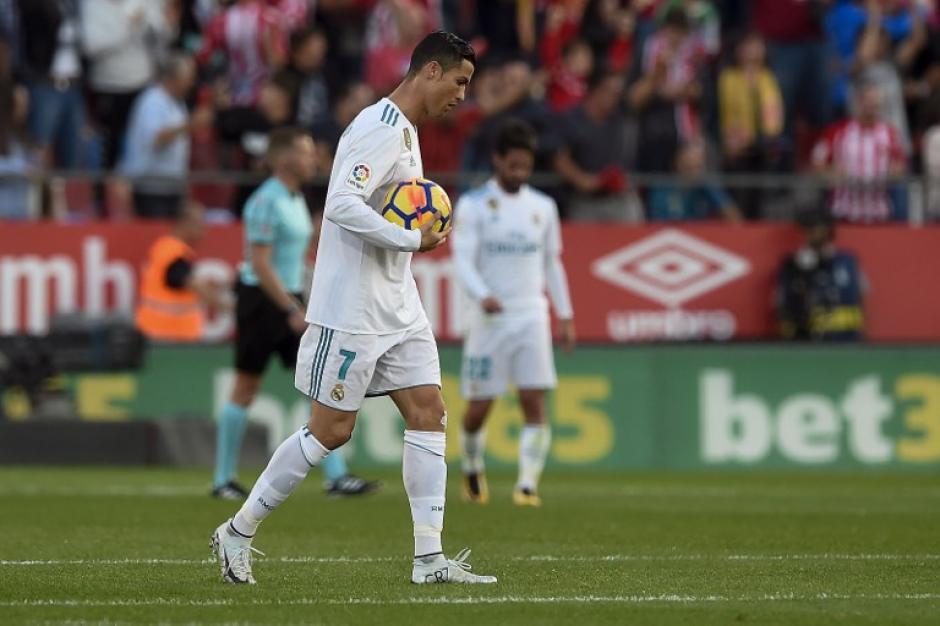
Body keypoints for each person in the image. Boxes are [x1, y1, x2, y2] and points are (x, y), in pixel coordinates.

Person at [210, 31, 497, 586]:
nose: (462, 95)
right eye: (459, 82)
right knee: (331, 430)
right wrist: (411, 239)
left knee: (430, 412)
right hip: (353, 309)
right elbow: (341, 203)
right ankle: (237, 531)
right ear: (430, 71)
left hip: (398, 303)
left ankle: (429, 560)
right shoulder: (378, 128)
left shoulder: (407, 131)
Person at [211, 127, 379, 501]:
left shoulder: (295, 198)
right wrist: (290, 307)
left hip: (291, 298)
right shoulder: (265, 201)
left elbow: (293, 257)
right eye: (306, 151)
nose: (313, 158)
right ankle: (222, 478)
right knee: (246, 387)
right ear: (285, 158)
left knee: (317, 384)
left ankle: (336, 476)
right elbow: (260, 263)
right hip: (262, 301)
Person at [453, 119, 575, 508]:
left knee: (534, 400)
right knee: (479, 408)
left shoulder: (543, 207)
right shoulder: (473, 205)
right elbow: (462, 259)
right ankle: (472, 465)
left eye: (526, 165)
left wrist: (565, 314)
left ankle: (526, 485)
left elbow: (552, 262)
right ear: (498, 159)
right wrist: (482, 295)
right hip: (490, 318)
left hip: (531, 315)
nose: (520, 172)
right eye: (513, 164)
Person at [119, 52, 213, 219]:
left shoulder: (178, 103)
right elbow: (157, 139)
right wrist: (190, 125)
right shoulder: (152, 101)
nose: (191, 84)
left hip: (173, 185)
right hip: (152, 187)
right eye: (189, 79)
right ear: (174, 78)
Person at [136, 201, 231, 342]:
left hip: (162, 332)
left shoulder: (165, 248)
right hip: (170, 335)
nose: (204, 229)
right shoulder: (174, 254)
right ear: (185, 223)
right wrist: (232, 308)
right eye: (200, 224)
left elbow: (179, 283)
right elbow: (196, 287)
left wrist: (222, 284)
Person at [811, 83, 906, 223]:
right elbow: (817, 161)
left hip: (879, 213)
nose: (872, 108)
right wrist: (830, 173)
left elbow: (900, 165)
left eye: (876, 104)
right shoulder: (837, 131)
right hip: (843, 212)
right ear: (858, 103)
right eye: (868, 103)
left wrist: (894, 173)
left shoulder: (890, 134)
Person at [776, 208, 866, 341]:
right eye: (805, 230)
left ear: (827, 229)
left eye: (813, 229)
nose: (809, 234)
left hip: (846, 338)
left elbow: (862, 295)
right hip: (807, 339)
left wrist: (862, 333)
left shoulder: (847, 261)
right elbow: (781, 302)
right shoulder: (792, 265)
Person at [646, 140, 741, 221]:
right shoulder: (661, 189)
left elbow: (735, 220)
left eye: (697, 167)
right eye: (688, 167)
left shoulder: (706, 188)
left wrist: (713, 189)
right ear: (676, 164)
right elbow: (656, 224)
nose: (693, 173)